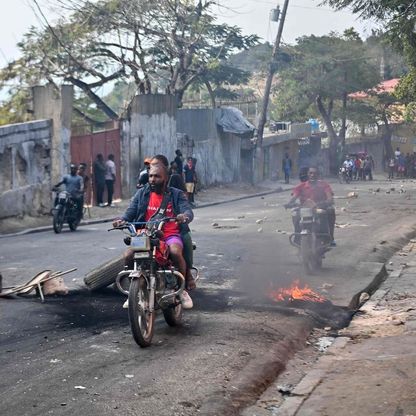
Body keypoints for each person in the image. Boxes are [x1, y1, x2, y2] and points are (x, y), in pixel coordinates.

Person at [112, 163, 194, 309]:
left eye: (157, 176)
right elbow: (130, 212)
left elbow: (188, 211)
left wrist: (184, 216)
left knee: (175, 252)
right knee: (128, 255)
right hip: (145, 234)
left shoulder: (176, 194)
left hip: (170, 235)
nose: (152, 179)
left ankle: (182, 290)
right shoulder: (142, 193)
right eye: (150, 176)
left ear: (165, 178)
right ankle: (134, 291)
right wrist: (122, 220)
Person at [284, 167, 336, 246]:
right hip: (305, 208)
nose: (312, 175)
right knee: (295, 214)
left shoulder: (324, 185)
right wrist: (290, 203)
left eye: (315, 173)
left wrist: (325, 202)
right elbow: (294, 197)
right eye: (310, 173)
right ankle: (297, 237)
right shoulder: (300, 186)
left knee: (331, 211)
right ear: (308, 174)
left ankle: (330, 238)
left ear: (318, 175)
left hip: (320, 207)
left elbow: (330, 198)